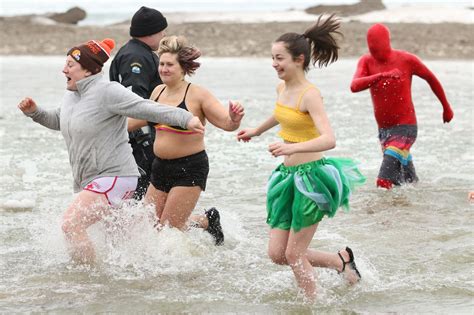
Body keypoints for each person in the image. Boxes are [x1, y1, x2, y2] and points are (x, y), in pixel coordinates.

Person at [18, 38, 204, 264]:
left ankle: (87, 281)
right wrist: (34, 112)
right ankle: (196, 231)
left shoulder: (108, 92)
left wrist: (185, 118)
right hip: (93, 179)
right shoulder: (71, 95)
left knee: (71, 224)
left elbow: (146, 107)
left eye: (69, 64)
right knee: (124, 240)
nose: (63, 69)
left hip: (116, 176)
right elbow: (59, 119)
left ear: (87, 70)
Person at [236, 15, 365, 301]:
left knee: (294, 254)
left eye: (279, 58)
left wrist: (291, 148)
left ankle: (313, 304)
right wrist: (256, 130)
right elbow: (282, 114)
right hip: (286, 177)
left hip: (313, 178)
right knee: (277, 254)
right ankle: (340, 261)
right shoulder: (282, 88)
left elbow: (329, 139)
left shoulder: (310, 94)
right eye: (272, 57)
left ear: (299, 59)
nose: (274, 63)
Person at [128, 35, 245, 246]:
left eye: (169, 65)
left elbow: (227, 123)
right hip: (159, 167)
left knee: (168, 231)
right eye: (161, 64)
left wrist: (234, 119)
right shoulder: (157, 92)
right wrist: (101, 129)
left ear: (183, 68)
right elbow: (136, 120)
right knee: (149, 226)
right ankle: (207, 220)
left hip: (189, 169)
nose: (163, 69)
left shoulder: (198, 95)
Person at [350, 23, 454, 189]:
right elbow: (354, 86)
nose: (376, 54)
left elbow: (431, 78)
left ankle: (383, 215)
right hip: (384, 130)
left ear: (388, 43)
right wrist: (381, 75)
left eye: (379, 49)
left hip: (406, 127)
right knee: (405, 183)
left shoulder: (406, 60)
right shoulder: (367, 61)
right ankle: (412, 206)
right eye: (372, 50)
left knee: (384, 181)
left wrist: (446, 107)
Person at [109, 6, 168, 199]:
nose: (163, 35)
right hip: (139, 140)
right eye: (161, 31)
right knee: (143, 195)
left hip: (141, 135)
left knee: (148, 197)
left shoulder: (140, 52)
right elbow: (134, 103)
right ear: (149, 33)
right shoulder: (136, 57)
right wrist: (143, 138)